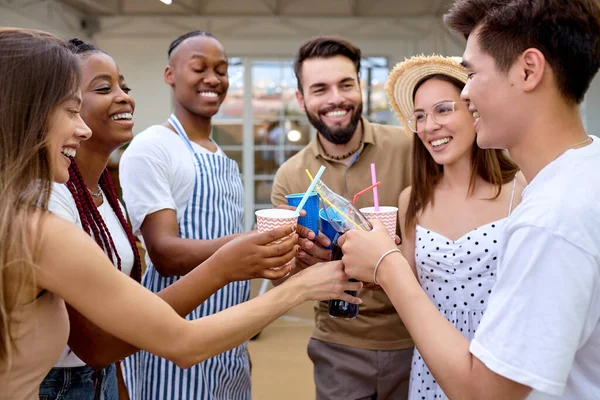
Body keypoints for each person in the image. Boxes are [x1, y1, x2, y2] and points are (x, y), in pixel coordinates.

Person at [0, 28, 362, 400]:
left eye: (222, 69)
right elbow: (172, 330)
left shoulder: (64, 205)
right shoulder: (44, 219)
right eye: (73, 109)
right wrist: (289, 280)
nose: (82, 127)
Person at [339, 0, 600, 399]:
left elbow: (485, 393)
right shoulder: (583, 171)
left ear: (528, 70)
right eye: (420, 116)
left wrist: (385, 264)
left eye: (472, 73)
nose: (466, 92)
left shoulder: (549, 219)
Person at [118, 30, 285, 400]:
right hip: (173, 343)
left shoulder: (222, 158)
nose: (213, 79)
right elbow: (165, 254)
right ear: (169, 75)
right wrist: (249, 244)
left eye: (222, 70)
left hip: (228, 346)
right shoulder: (152, 147)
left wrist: (240, 342)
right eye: (199, 68)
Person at [271, 36, 414, 400]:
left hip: (418, 338)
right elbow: (282, 277)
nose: (336, 98)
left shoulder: (410, 148)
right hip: (337, 345)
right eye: (320, 89)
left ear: (360, 88)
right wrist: (302, 261)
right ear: (301, 99)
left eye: (346, 84)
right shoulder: (291, 177)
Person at [384, 54, 525, 399]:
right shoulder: (411, 201)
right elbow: (407, 293)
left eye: (443, 109)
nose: (429, 125)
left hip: (504, 365)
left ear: (474, 110)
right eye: (419, 116)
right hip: (434, 369)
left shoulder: (521, 190)